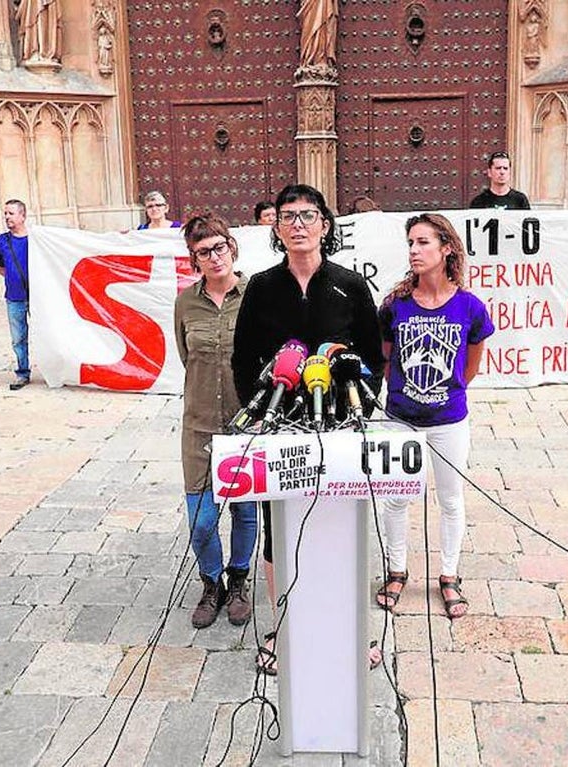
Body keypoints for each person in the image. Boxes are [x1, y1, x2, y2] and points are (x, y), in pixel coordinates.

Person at [231, 183, 386, 672]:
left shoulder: (350, 284)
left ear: (325, 224)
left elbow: (374, 358)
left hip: (339, 426)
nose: (298, 224)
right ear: (275, 227)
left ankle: (350, 627)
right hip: (281, 430)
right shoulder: (260, 287)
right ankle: (286, 625)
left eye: (308, 215)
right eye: (287, 216)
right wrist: (259, 413)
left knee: (342, 525)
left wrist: (360, 397)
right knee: (280, 533)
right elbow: (242, 360)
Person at [375, 213, 494, 620]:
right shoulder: (395, 306)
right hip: (401, 418)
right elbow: (388, 358)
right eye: (411, 243)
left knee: (450, 499)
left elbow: (471, 365)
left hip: (449, 420)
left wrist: (446, 393)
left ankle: (448, 575)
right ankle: (395, 569)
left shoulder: (470, 307)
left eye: (423, 242)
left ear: (446, 248)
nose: (414, 250)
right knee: (397, 498)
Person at [174, 213, 259, 629]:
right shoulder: (185, 303)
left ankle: (239, 580)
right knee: (202, 519)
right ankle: (212, 583)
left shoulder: (255, 296)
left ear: (232, 246)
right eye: (203, 252)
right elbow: (187, 357)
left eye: (219, 247)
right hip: (200, 427)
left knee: (245, 512)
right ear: (194, 259)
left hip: (246, 426)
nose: (214, 256)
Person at [0, 199, 31, 390]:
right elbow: (1, 268)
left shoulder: (36, 238)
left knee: (46, 334)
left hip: (37, 296)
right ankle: (23, 373)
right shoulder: (1, 241)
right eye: (5, 213)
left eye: (11, 213)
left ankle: (54, 370)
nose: (7, 217)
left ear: (22, 216)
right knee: (18, 337)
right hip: (14, 297)